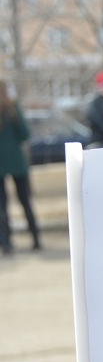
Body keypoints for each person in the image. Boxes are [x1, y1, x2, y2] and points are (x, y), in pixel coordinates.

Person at [0, 80, 40, 253]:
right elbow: (24, 133)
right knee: (25, 201)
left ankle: (6, 242)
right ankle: (35, 238)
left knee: (2, 205)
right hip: (17, 161)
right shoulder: (12, 108)